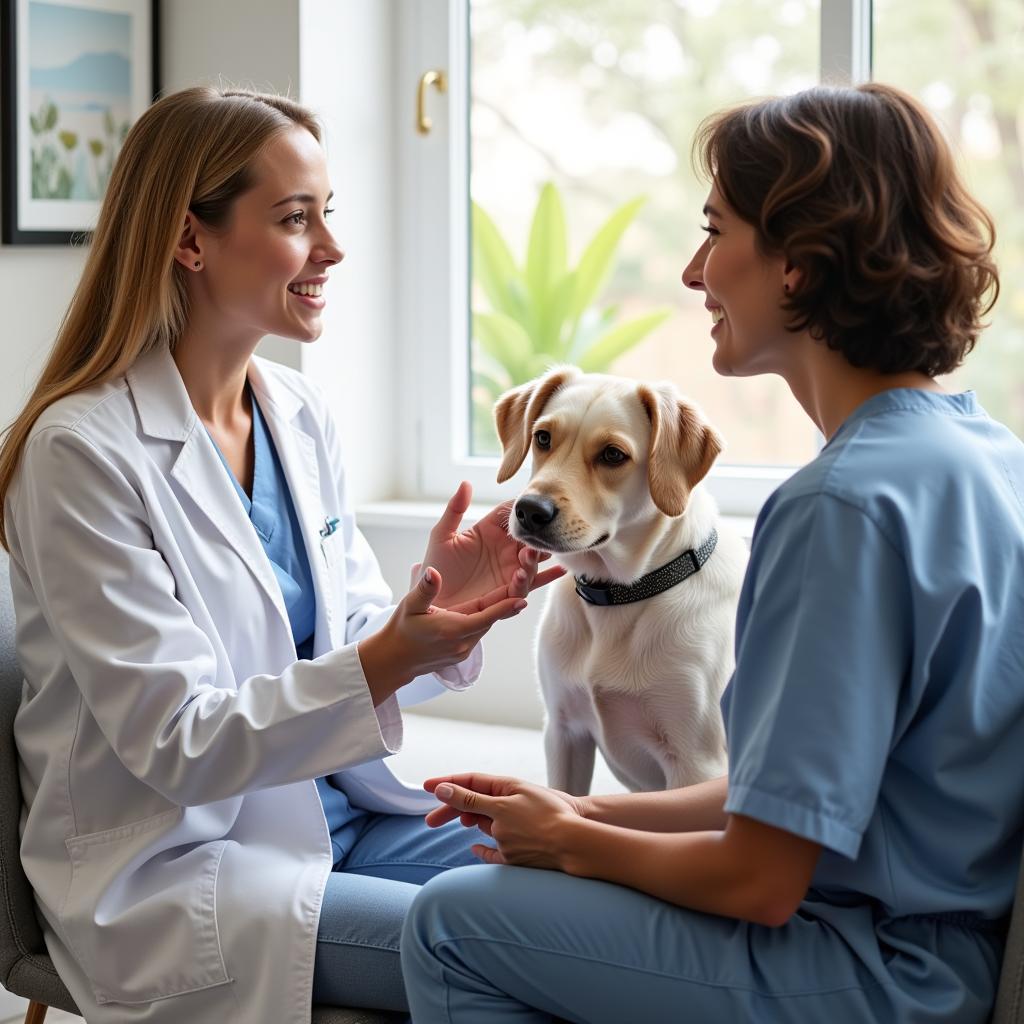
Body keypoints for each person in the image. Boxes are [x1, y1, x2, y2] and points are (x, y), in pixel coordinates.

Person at [399, 82, 1024, 1023]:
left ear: (799, 266)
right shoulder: (985, 453)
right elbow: (780, 800)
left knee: (450, 919)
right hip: (943, 937)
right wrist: (576, 812)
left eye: (716, 230)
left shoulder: (836, 508)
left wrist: (572, 846)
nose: (694, 272)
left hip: (872, 962)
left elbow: (762, 876)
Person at [0, 86, 563, 1024]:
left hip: (346, 821)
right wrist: (391, 652)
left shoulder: (297, 414)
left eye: (326, 216)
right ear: (191, 240)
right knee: (510, 959)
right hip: (190, 873)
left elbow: (336, 645)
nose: (332, 250)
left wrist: (428, 618)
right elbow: (176, 743)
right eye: (296, 220)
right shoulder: (81, 453)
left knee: (596, 892)